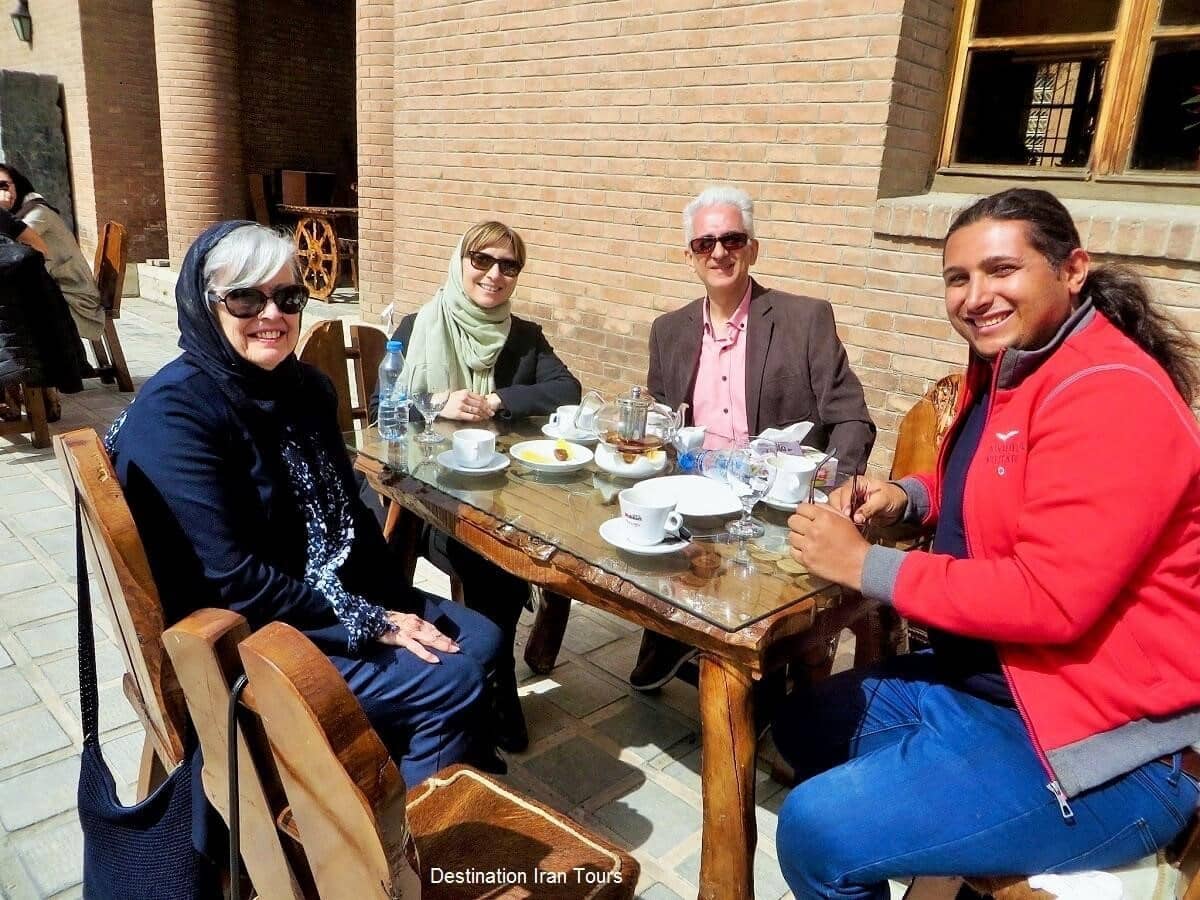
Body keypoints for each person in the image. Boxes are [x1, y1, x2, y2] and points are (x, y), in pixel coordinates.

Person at [778, 188, 1200, 898]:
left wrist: (864, 565)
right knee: (803, 725)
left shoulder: (1110, 394)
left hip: (1109, 748)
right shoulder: (1014, 362)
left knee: (814, 832)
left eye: (1001, 270)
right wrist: (909, 496)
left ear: (1072, 270)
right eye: (958, 277)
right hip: (995, 687)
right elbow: (1002, 486)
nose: (976, 296)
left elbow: (1049, 596)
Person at [106, 221, 504, 789]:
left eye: (287, 297)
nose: (271, 314)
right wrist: (373, 622)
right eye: (245, 297)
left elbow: (349, 517)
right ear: (205, 305)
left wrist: (393, 603)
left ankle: (392, 760)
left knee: (482, 638)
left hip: (309, 590)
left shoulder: (303, 389)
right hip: (246, 636)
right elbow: (234, 580)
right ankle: (404, 856)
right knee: (451, 679)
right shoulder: (177, 414)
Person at [630, 185, 876, 690]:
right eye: (705, 244)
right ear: (690, 256)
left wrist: (839, 488)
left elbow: (851, 416)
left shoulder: (804, 320)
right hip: (695, 494)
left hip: (771, 502)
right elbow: (661, 419)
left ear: (752, 248)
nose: (719, 252)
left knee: (752, 644)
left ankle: (762, 677)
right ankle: (667, 635)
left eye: (732, 239)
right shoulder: (669, 330)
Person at [371, 220, 581, 753]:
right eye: (482, 260)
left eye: (508, 265)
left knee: (510, 552)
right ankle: (497, 684)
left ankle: (493, 672)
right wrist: (435, 403)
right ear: (460, 261)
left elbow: (567, 388)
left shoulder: (524, 336)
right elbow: (381, 410)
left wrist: (495, 401)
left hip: (503, 490)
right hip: (428, 501)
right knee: (493, 565)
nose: (494, 274)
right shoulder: (419, 326)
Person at [0, 164, 105, 346]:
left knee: (12, 313)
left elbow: (10, 248)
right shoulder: (22, 213)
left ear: (17, 184)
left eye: (4, 185)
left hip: (76, 299)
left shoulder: (37, 213)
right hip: (56, 292)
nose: (3, 192)